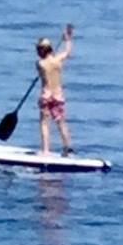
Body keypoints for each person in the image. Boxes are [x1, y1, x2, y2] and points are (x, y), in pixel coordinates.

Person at [36, 23, 75, 155]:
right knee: (61, 122)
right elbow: (67, 52)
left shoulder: (40, 63)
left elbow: (42, 69)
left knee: (44, 123)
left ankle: (45, 150)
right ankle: (67, 149)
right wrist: (67, 39)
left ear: (42, 50)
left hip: (46, 96)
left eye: (38, 49)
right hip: (58, 96)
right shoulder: (58, 60)